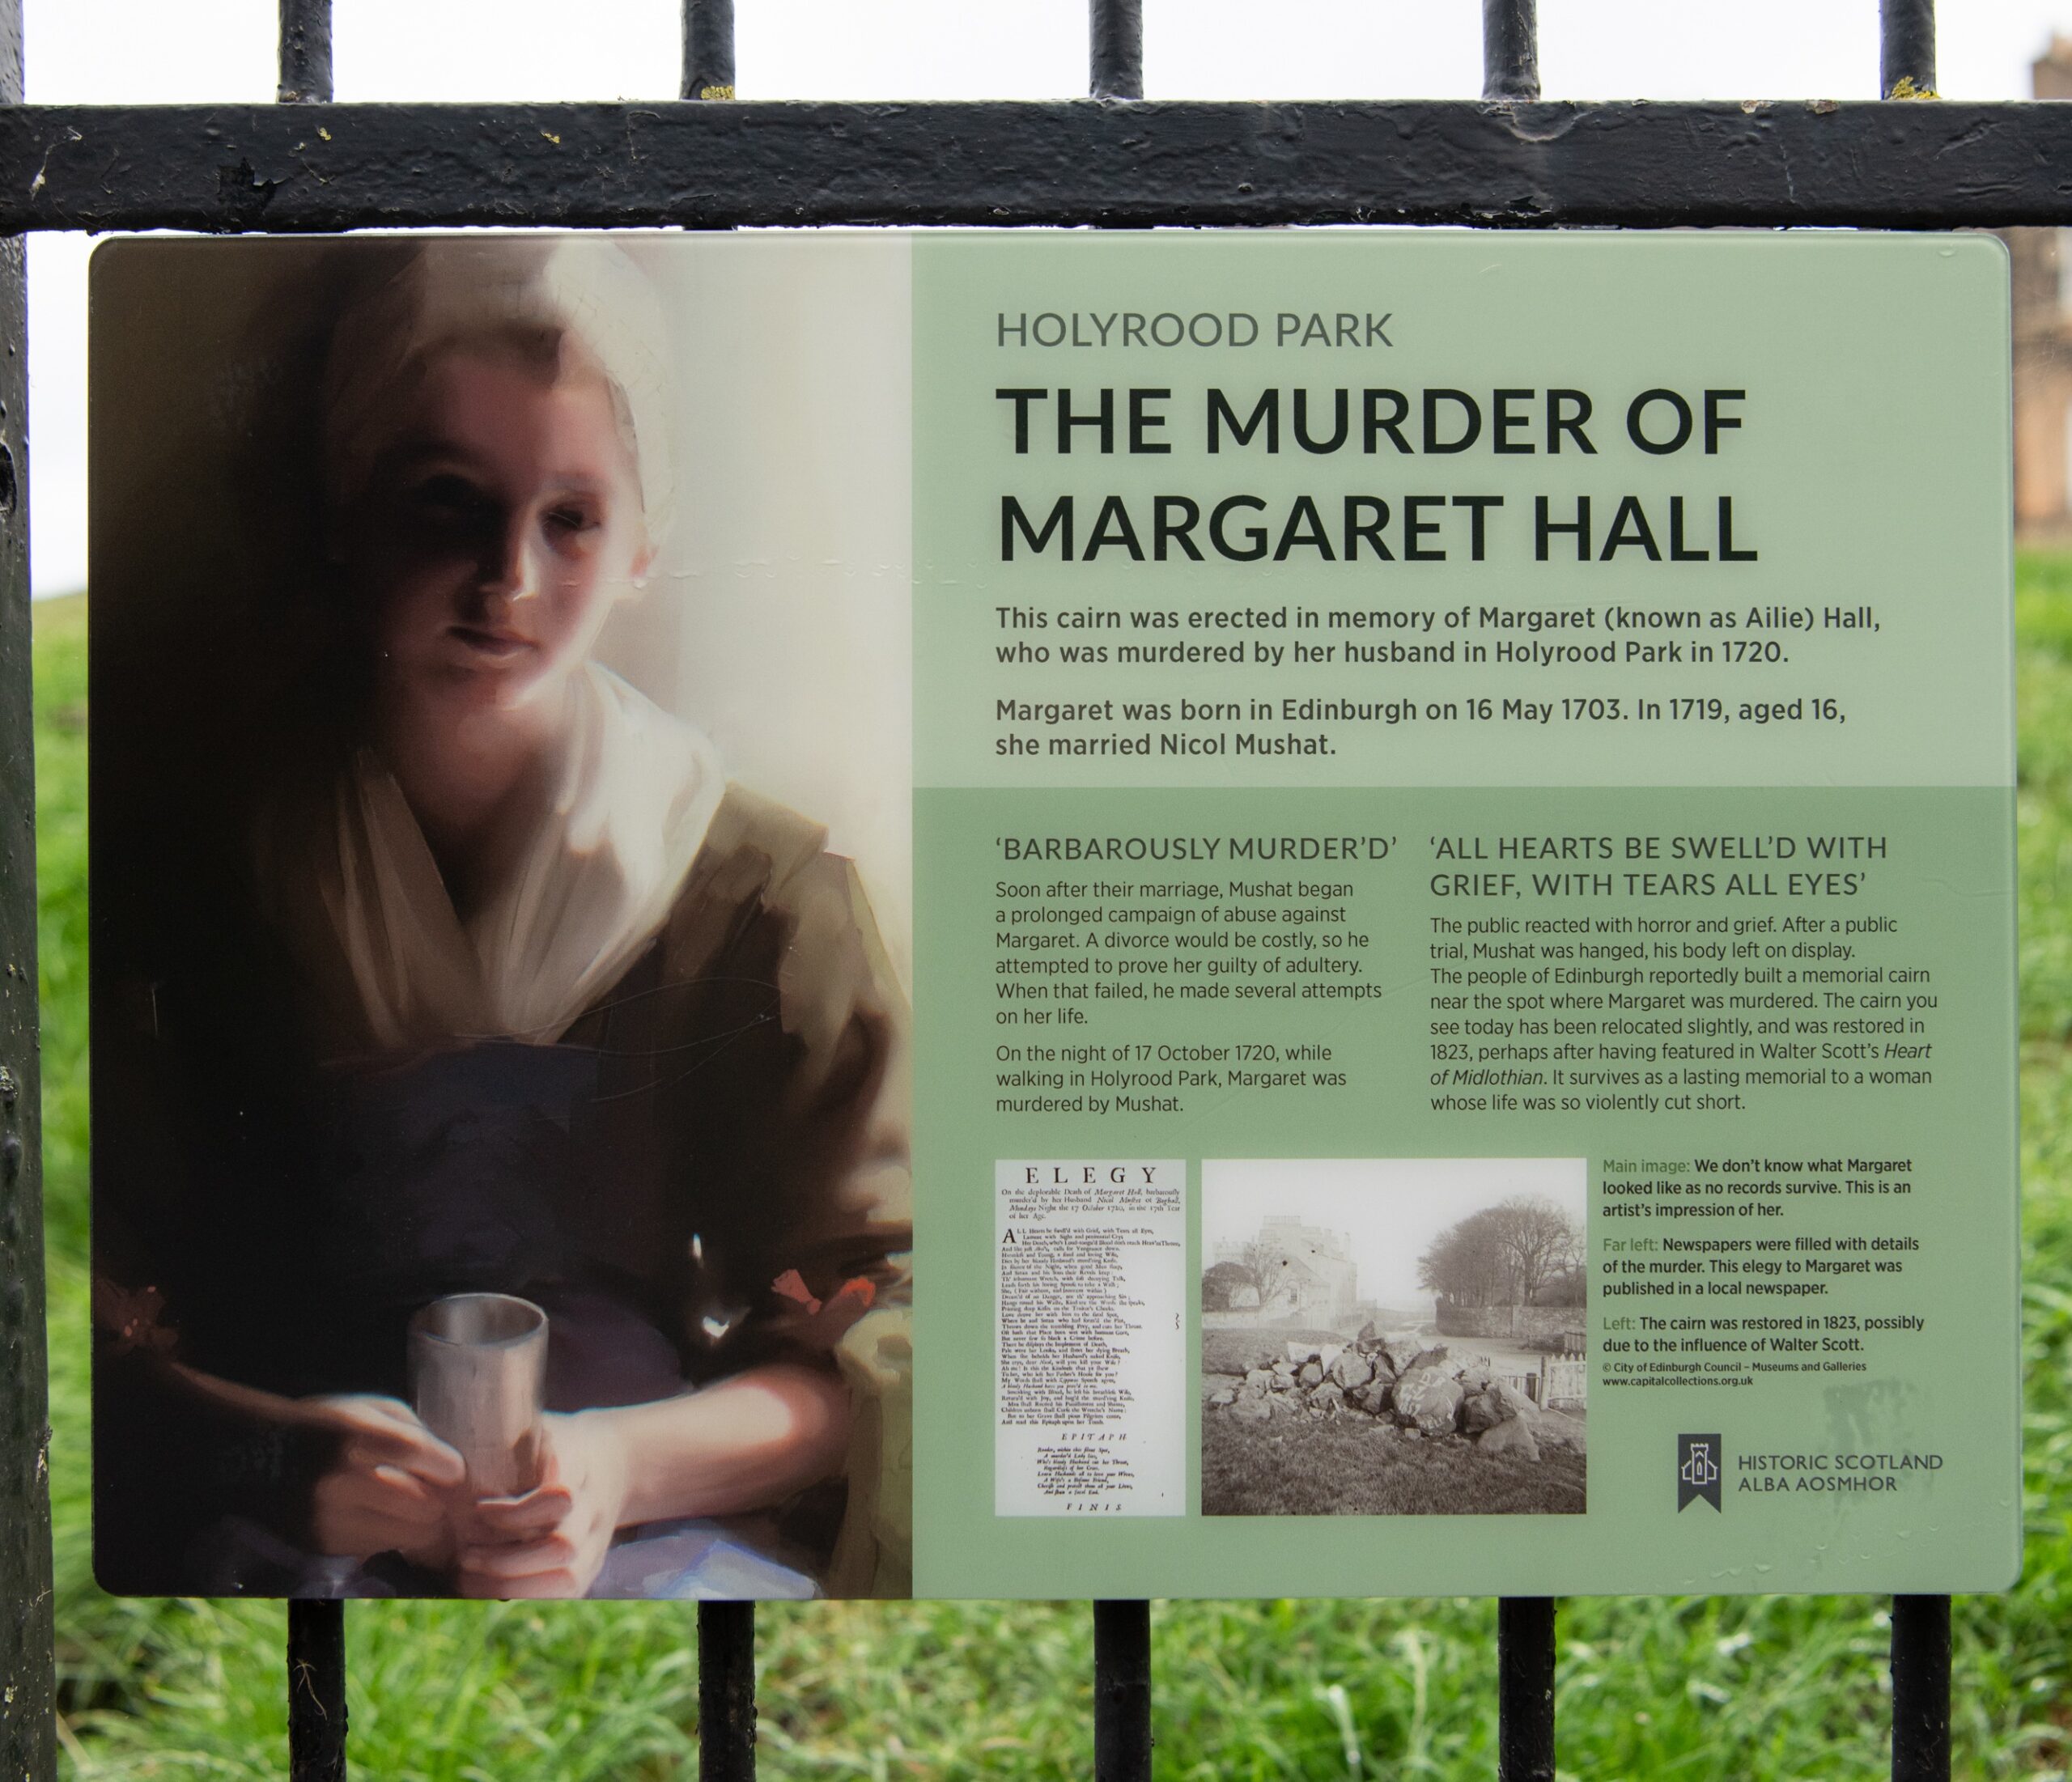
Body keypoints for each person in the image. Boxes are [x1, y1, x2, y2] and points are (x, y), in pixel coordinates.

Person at [92, 239, 912, 1600]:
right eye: (447, 504)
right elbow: (84, 1297)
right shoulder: (207, 874)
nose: (507, 577)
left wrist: (616, 1470)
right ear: (350, 510)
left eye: (570, 517)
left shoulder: (756, 892)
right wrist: (272, 1457)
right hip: (296, 1537)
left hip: (643, 1525)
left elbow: (893, 1329)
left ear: (644, 544)